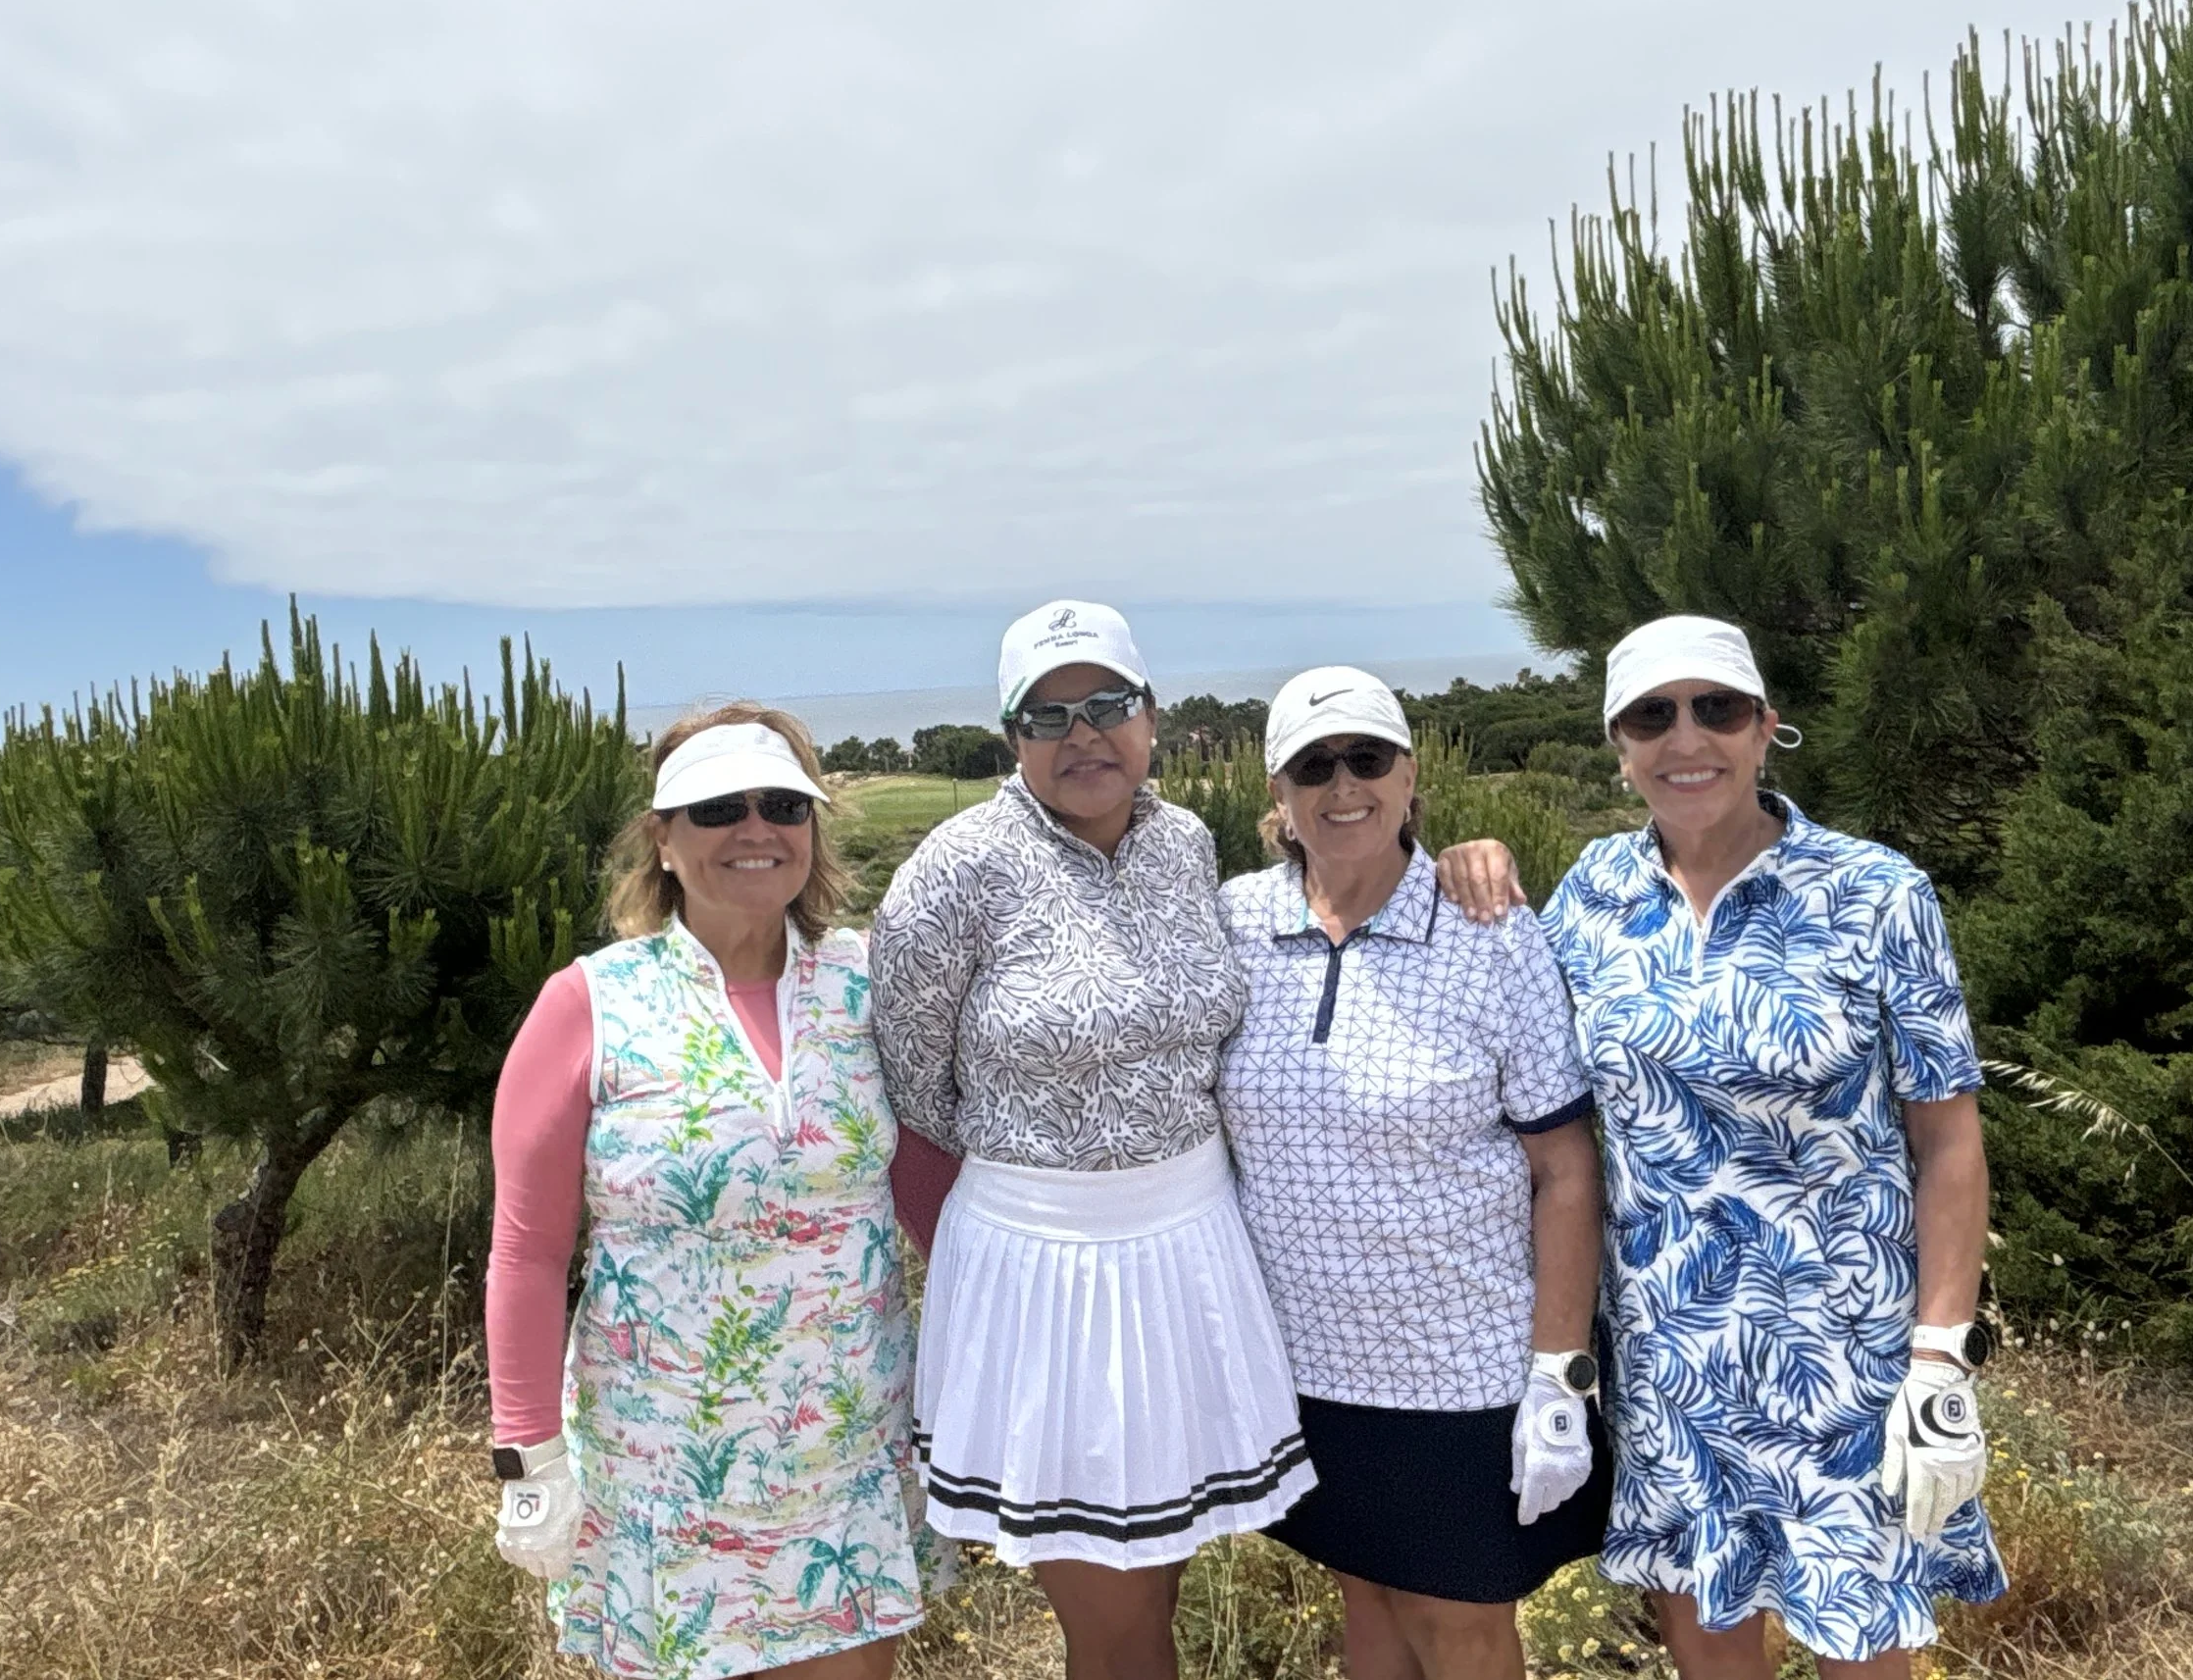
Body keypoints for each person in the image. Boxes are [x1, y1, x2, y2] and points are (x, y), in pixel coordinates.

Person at [1435, 616, 2006, 1680]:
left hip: (1848, 1360)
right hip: (1670, 1355)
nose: (1684, 737)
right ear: (1618, 745)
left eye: (1717, 709)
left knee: (1863, 1655)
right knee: (1708, 1654)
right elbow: (1517, 1079)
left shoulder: (1876, 894)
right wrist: (1473, 858)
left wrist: (1940, 1357)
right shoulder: (1590, 901)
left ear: (1764, 729)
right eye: (1651, 715)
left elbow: (1948, 1144)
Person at [871, 600, 1313, 1680]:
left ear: (1151, 716)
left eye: (1108, 704)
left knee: (1151, 1595)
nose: (1084, 735)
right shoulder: (955, 866)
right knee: (1115, 1624)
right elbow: (915, 1088)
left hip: (1188, 1253)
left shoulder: (1185, 843)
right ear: (1012, 738)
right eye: (1048, 715)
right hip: (1044, 1276)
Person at [485, 706, 949, 1680]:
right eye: (715, 808)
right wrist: (527, 1458)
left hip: (846, 1456)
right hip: (664, 1473)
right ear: (662, 837)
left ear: (812, 827)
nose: (754, 829)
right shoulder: (591, 1005)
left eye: (782, 804)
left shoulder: (869, 987)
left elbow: (928, 1199)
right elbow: (527, 1252)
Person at [1215, 667, 1611, 1680]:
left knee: (1459, 1624)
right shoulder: (1233, 926)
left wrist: (1557, 1374)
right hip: (1301, 1364)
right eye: (1313, 765)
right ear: (1278, 793)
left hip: (1457, 1367)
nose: (1342, 784)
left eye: (1366, 758)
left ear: (1408, 773)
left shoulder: (1487, 932)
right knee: (1370, 1604)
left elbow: (1564, 1169)